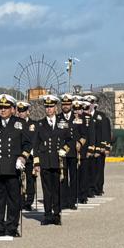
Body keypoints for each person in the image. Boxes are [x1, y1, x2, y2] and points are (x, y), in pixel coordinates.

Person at [0, 95, 30, 237]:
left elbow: (27, 143)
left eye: (6, 108)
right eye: (0, 107)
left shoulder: (19, 123)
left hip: (13, 167)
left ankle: (12, 226)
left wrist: (23, 157)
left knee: (14, 199)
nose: (3, 110)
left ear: (13, 109)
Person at [33, 95, 70, 225]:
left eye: (51, 107)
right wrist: (36, 163)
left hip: (58, 161)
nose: (49, 109)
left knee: (57, 189)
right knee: (47, 189)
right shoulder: (40, 124)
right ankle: (47, 215)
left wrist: (65, 149)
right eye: (47, 107)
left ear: (55, 107)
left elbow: (70, 140)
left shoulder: (63, 123)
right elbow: (36, 145)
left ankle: (56, 214)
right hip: (45, 161)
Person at [90, 95, 112, 197]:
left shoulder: (101, 116)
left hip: (100, 148)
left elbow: (106, 133)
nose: (90, 105)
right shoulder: (85, 116)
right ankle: (90, 187)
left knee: (98, 169)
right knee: (89, 169)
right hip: (89, 149)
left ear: (95, 105)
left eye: (91, 103)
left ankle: (98, 188)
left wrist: (106, 147)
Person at [17, 99, 37, 210]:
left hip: (30, 156)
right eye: (19, 111)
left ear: (27, 112)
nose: (21, 113)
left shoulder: (33, 124)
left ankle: (29, 202)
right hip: (19, 157)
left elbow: (35, 140)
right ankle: (20, 201)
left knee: (30, 179)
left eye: (23, 111)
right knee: (19, 180)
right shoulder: (16, 124)